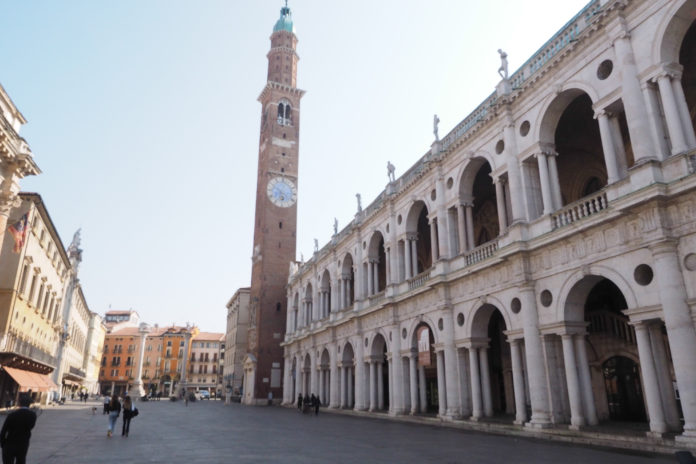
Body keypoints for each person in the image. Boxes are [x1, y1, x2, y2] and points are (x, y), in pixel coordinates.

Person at [0, 394, 37, 464]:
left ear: (19, 403)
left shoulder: (12, 415)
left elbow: (4, 430)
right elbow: (31, 426)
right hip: (23, 444)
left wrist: (2, 443)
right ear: (29, 404)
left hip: (9, 443)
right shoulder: (33, 415)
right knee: (21, 461)